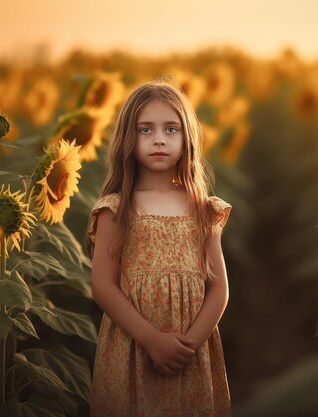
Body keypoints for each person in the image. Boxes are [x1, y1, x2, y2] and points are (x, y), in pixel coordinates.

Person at [86, 81, 232, 416]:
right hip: (132, 348)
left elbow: (219, 289)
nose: (159, 139)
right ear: (128, 138)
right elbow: (103, 286)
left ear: (187, 138)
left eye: (171, 129)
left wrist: (189, 346)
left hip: (191, 352)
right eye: (145, 129)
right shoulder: (116, 208)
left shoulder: (204, 210)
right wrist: (151, 340)